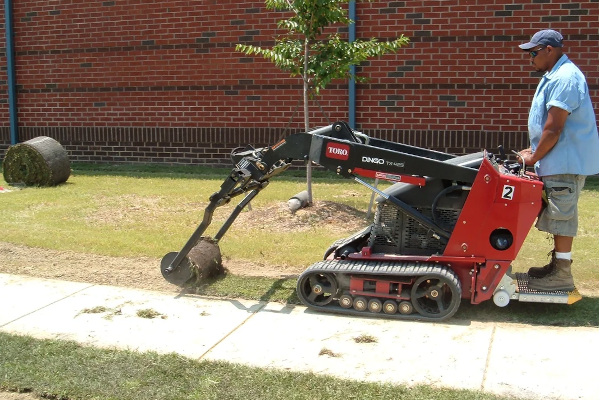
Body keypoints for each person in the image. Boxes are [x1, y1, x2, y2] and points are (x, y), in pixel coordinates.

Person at [517, 29, 599, 292]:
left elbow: (554, 128)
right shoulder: (555, 74)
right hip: (558, 160)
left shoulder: (565, 77)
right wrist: (534, 151)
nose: (530, 58)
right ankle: (556, 266)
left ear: (549, 50)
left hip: (565, 162)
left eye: (533, 52)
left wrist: (533, 157)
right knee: (557, 213)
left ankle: (562, 275)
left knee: (563, 217)